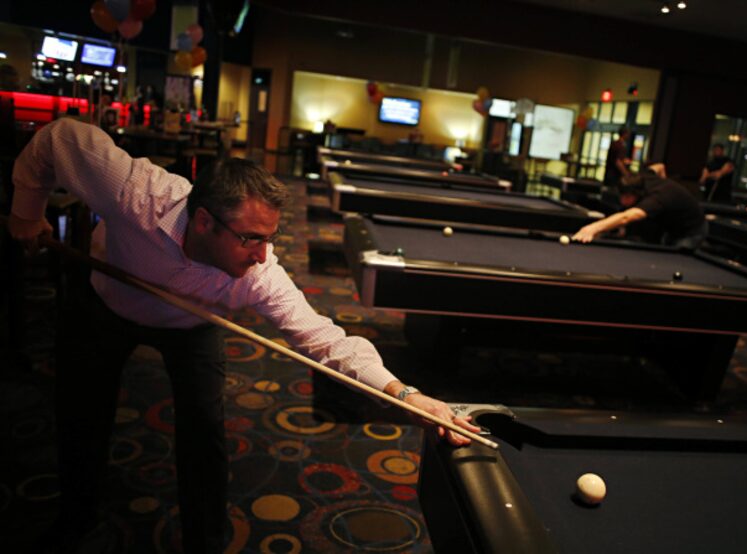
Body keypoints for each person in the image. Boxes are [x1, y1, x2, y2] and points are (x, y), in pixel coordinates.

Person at [8, 118, 479, 553]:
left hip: (192, 324)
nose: (262, 254)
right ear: (204, 221)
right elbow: (59, 137)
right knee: (82, 415)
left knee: (205, 431)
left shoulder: (258, 274)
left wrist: (404, 393)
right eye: (251, 238)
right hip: (107, 301)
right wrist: (27, 210)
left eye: (269, 238)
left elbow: (322, 336)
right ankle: (75, 517)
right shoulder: (136, 192)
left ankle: (206, 540)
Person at [572, 170, 706, 249]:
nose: (622, 201)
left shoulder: (657, 199)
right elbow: (659, 166)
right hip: (671, 227)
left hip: (691, 231)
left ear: (637, 194)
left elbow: (627, 216)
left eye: (627, 197)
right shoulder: (642, 177)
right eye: (621, 196)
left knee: (676, 263)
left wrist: (593, 228)